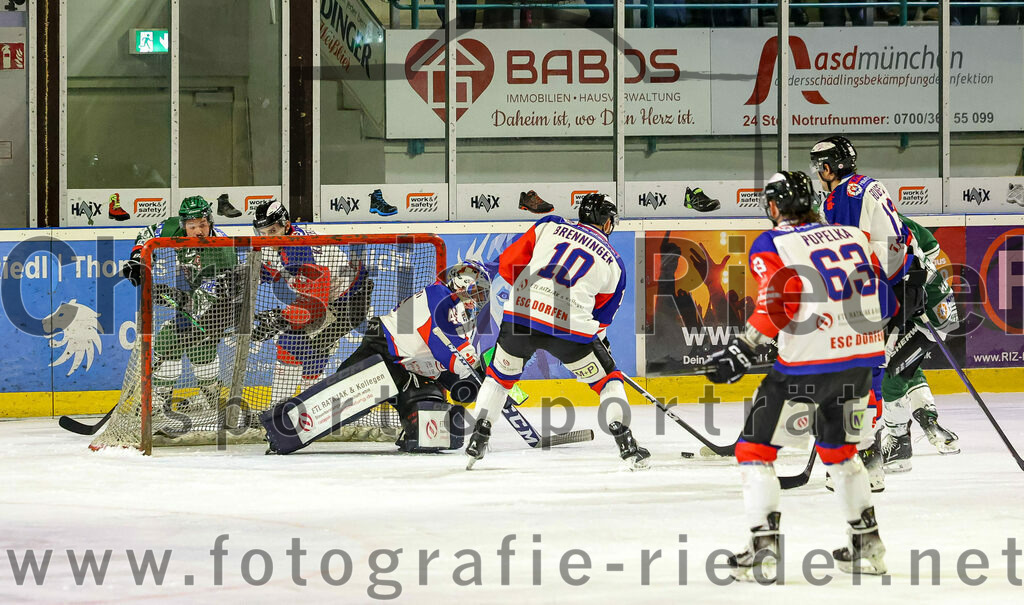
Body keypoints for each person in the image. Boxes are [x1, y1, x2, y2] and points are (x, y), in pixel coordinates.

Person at [706, 171, 891, 581]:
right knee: (840, 452)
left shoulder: (773, 242)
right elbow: (883, 291)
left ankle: (763, 548)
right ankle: (867, 543)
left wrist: (743, 348)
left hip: (805, 367)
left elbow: (779, 302)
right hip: (860, 363)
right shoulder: (854, 235)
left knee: (754, 450)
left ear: (773, 206)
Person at [464, 193, 648, 470]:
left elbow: (508, 264)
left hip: (521, 317)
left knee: (498, 379)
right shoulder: (614, 262)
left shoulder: (549, 225)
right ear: (608, 223)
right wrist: (600, 341)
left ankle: (479, 436)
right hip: (570, 328)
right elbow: (601, 317)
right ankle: (626, 443)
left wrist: (532, 293)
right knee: (609, 381)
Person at [810, 135, 927, 492]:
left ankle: (857, 461)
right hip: (898, 284)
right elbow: (898, 238)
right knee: (868, 372)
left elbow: (849, 251)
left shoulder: (844, 196)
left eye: (819, 167)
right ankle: (870, 461)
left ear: (829, 167)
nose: (817, 173)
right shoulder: (869, 185)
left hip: (870, 290)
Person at [332, 260, 491, 449]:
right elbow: (443, 343)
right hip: (383, 351)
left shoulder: (459, 313)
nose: (479, 298)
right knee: (336, 401)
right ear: (462, 284)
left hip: (409, 372)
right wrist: (472, 370)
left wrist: (468, 384)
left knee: (435, 430)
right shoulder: (439, 295)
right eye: (478, 291)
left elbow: (443, 359)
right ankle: (312, 409)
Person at [120, 196, 241, 417]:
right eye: (192, 226)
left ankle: (162, 399)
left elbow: (214, 296)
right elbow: (148, 233)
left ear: (210, 222)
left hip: (223, 305)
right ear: (183, 225)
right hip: (197, 295)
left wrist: (173, 297)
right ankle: (208, 395)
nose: (198, 231)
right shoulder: (174, 228)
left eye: (203, 225)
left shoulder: (222, 249)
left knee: (175, 338)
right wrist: (138, 258)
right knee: (194, 344)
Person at [249, 200, 374, 405]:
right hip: (329, 298)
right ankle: (310, 408)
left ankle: (279, 410)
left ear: (286, 225)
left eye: (273, 231)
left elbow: (315, 308)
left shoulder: (300, 250)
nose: (268, 238)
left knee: (291, 345)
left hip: (349, 303)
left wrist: (280, 319)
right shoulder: (279, 243)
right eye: (263, 233)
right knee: (313, 349)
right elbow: (269, 271)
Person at [880, 214, 961, 471]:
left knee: (888, 370)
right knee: (905, 362)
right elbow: (932, 247)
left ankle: (899, 445)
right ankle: (927, 416)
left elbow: (906, 290)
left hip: (926, 313)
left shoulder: (880, 237)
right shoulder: (892, 218)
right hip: (932, 306)